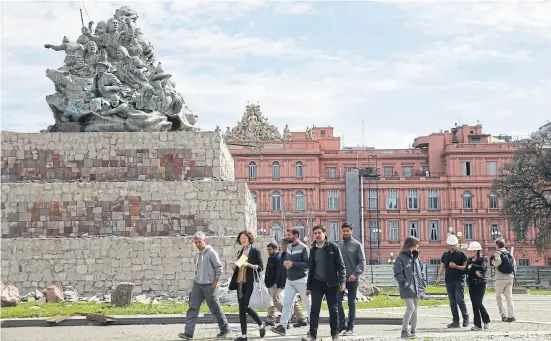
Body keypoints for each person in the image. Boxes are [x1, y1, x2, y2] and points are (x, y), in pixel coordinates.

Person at [179, 232, 229, 340]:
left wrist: (215, 282)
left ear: (204, 241)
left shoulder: (211, 253)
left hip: (209, 285)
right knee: (193, 308)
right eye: (195, 242)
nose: (197, 244)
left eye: (199, 242)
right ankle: (188, 333)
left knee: (215, 308)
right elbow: (197, 269)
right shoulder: (196, 255)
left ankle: (224, 328)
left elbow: (219, 268)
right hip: (197, 285)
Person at [303, 225, 346, 341]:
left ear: (324, 233)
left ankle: (334, 335)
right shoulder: (312, 249)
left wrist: (342, 281)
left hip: (332, 284)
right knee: (314, 309)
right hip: (317, 283)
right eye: (315, 233)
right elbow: (311, 269)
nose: (317, 235)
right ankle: (312, 335)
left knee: (333, 310)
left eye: (319, 233)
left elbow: (341, 266)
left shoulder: (333, 247)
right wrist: (308, 287)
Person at [271, 229, 311, 336]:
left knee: (308, 304)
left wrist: (293, 264)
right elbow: (288, 260)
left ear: (296, 235)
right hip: (290, 280)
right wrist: (286, 263)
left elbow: (307, 264)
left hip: (302, 280)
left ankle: (313, 328)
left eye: (289, 234)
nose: (287, 236)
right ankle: (282, 327)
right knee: (287, 304)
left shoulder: (304, 248)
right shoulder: (288, 247)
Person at [228, 231, 266, 341]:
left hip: (250, 283)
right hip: (240, 283)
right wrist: (234, 266)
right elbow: (239, 268)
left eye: (244, 238)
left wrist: (249, 265)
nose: (243, 240)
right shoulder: (240, 252)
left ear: (249, 239)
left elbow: (260, 267)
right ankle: (244, 336)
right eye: (241, 238)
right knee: (241, 309)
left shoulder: (255, 252)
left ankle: (260, 323)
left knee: (246, 306)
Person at [265, 238, 304, 328]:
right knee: (292, 302)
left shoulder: (281, 257)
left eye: (283, 245)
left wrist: (278, 283)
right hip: (279, 283)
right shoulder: (279, 256)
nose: (281, 246)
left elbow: (281, 272)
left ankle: (288, 319)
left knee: (278, 302)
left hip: (286, 282)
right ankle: (302, 319)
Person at [393, 236, 426, 339]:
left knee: (415, 309)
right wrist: (404, 283)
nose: (417, 247)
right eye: (416, 245)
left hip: (417, 287)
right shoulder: (400, 258)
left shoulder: (417, 258)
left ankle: (413, 331)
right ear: (410, 245)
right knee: (410, 308)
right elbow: (398, 273)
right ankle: (404, 330)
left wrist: (423, 282)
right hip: (406, 287)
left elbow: (421, 271)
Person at [337, 222, 366, 336]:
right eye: (344, 231)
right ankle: (342, 324)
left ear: (351, 231)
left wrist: (356, 273)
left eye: (347, 231)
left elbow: (362, 262)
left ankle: (350, 327)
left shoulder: (357, 245)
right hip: (341, 279)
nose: (345, 233)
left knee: (351, 303)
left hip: (353, 278)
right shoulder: (339, 245)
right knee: (337, 301)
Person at [436, 234, 469, 328]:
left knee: (459, 300)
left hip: (459, 280)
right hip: (449, 281)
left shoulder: (462, 254)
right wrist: (438, 277)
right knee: (452, 302)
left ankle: (465, 318)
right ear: (448, 245)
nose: (452, 246)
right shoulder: (445, 255)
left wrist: (456, 266)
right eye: (450, 245)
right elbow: (442, 266)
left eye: (453, 245)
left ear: (456, 245)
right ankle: (455, 321)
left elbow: (466, 268)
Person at [465, 241, 490, 331]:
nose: (470, 252)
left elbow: (483, 268)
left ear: (477, 251)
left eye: (471, 251)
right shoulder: (469, 260)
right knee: (474, 305)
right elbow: (466, 270)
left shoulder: (483, 259)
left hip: (480, 284)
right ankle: (477, 325)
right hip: (472, 284)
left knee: (478, 303)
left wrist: (472, 267)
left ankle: (486, 320)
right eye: (469, 251)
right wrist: (473, 270)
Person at [491, 238, 516, 322]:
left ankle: (503, 315)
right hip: (510, 277)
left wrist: (493, 263)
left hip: (500, 278)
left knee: (498, 297)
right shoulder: (510, 254)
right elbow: (514, 265)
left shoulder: (497, 253)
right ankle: (511, 315)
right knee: (509, 297)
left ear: (497, 245)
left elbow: (497, 263)